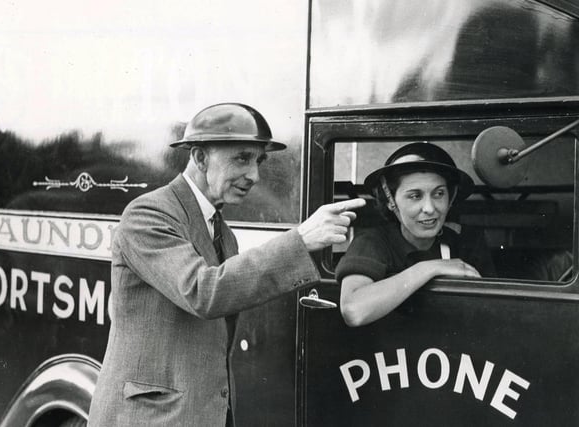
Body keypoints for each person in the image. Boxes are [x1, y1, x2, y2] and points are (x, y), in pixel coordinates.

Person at [88, 103, 365, 427]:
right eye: (242, 158)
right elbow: (203, 292)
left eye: (259, 160)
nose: (255, 175)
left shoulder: (222, 233)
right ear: (200, 157)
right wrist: (300, 240)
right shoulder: (148, 214)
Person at [336, 142, 495, 327]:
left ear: (450, 198)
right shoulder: (372, 242)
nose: (429, 208)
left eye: (439, 194)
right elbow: (353, 311)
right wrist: (431, 268)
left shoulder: (466, 241)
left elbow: (491, 312)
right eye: (414, 196)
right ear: (391, 201)